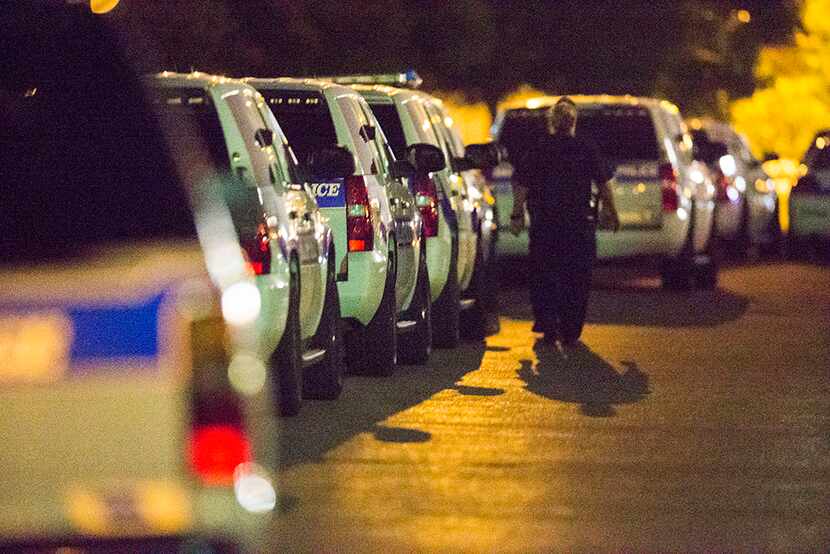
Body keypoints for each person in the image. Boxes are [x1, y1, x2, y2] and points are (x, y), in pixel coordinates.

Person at [508, 97, 620, 347]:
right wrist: (611, 211)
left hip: (545, 223)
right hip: (578, 223)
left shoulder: (539, 148)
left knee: (543, 273)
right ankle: (570, 328)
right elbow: (603, 183)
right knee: (577, 276)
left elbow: (521, 184)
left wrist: (517, 214)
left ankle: (548, 322)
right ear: (573, 122)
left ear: (551, 122)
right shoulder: (585, 147)